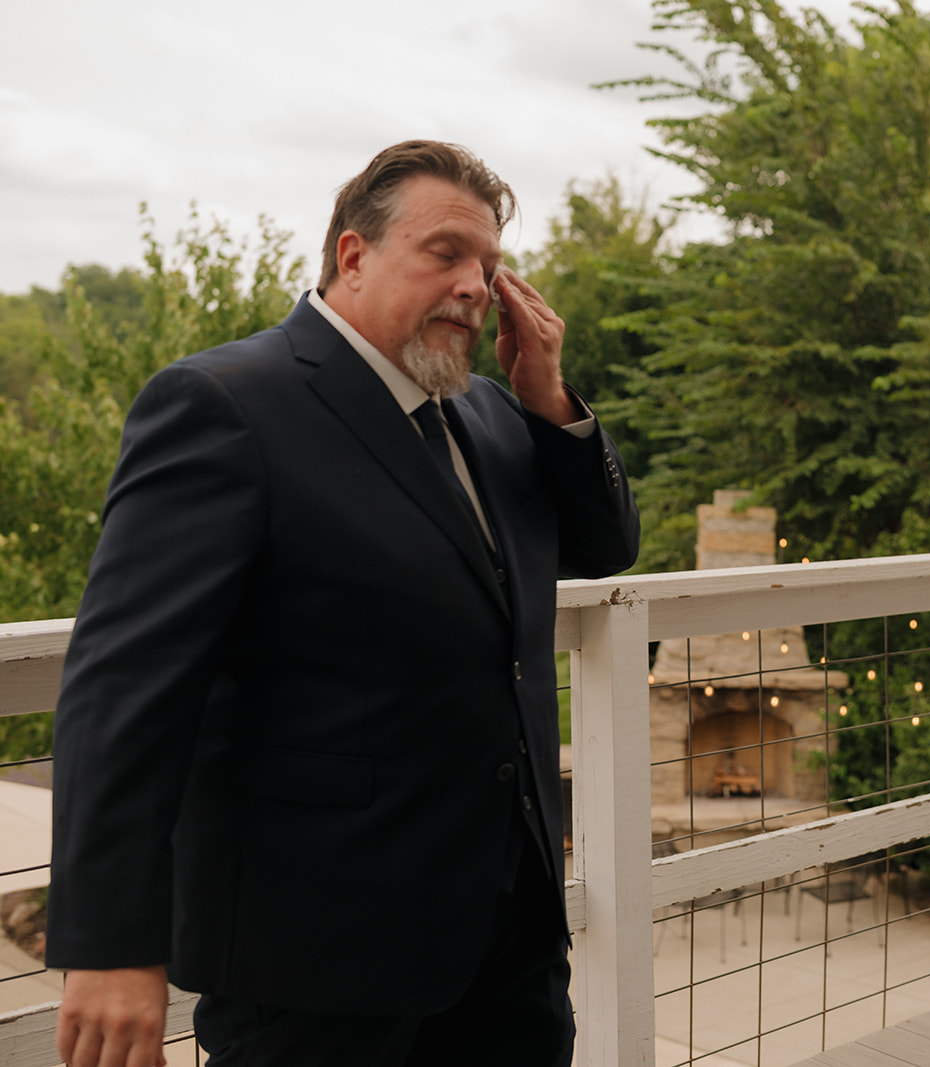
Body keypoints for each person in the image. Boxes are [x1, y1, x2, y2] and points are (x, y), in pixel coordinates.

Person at [45, 141, 640, 1067]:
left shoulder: (489, 411)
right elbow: (123, 688)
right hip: (318, 960)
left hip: (509, 939)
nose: (476, 286)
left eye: (487, 264)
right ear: (353, 256)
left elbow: (603, 550)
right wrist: (113, 945)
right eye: (445, 253)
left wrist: (550, 399)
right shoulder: (224, 405)